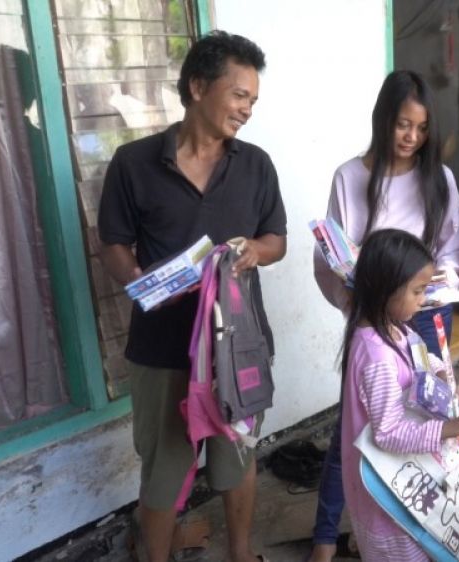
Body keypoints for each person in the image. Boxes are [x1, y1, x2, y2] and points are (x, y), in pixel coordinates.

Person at [98, 31, 286, 562]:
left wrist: (255, 251)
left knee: (237, 458)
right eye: (238, 95)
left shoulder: (255, 166)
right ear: (198, 87)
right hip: (162, 349)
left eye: (252, 98)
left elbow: (277, 240)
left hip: (238, 347)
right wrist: (139, 279)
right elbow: (112, 242)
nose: (247, 109)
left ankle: (241, 553)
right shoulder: (133, 163)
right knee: (164, 468)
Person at [309, 69, 459, 561]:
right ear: (383, 119)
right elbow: (330, 256)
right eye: (403, 125)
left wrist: (437, 283)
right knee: (357, 430)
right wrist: (353, 305)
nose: (412, 138)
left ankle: (418, 522)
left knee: (428, 416)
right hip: (371, 320)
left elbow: (454, 245)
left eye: (422, 129)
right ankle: (324, 538)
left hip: (423, 313)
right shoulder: (350, 176)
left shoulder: (437, 177)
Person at [338, 228, 459, 561]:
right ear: (385, 289)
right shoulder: (376, 356)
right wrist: (456, 427)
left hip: (406, 484)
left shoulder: (395, 328)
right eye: (418, 291)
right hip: (389, 501)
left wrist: (444, 380)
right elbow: (389, 433)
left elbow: (420, 358)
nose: (424, 300)